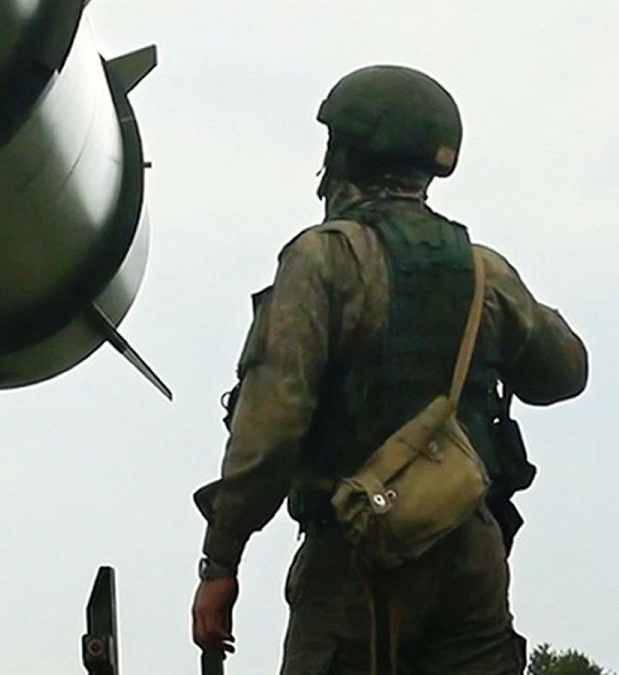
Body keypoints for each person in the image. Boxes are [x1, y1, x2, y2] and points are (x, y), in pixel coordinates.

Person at [190, 65, 588, 673]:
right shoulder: (484, 271)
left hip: (355, 557)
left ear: (343, 156)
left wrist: (221, 561)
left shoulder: (323, 261)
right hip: (469, 556)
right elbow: (565, 373)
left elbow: (270, 428)